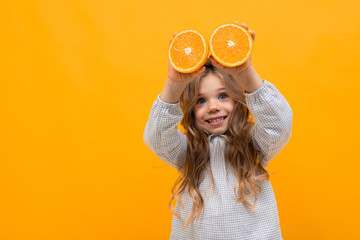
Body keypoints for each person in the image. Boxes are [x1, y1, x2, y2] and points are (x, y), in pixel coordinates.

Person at [143, 22, 293, 239]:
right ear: (191, 111)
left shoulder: (254, 147)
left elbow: (279, 125)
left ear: (238, 101)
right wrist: (173, 85)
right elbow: (156, 137)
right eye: (200, 100)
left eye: (223, 96)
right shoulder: (189, 153)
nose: (213, 107)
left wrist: (247, 74)